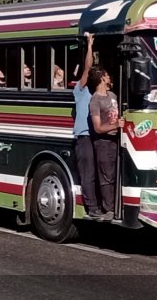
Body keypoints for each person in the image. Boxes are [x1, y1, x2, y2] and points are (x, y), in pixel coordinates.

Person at [72, 33, 103, 219]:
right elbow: (87, 68)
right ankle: (92, 208)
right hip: (84, 136)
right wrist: (89, 45)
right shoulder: (81, 90)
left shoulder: (100, 95)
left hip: (98, 136)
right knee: (88, 174)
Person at [88, 66, 125, 222]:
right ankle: (108, 209)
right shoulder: (95, 100)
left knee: (116, 173)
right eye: (108, 75)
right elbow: (98, 127)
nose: (110, 77)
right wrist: (116, 125)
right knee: (106, 176)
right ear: (102, 78)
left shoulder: (113, 95)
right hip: (103, 142)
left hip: (117, 140)